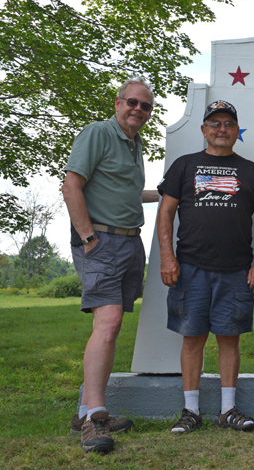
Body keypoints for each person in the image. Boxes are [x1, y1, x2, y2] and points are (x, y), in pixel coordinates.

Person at [157, 100, 254, 434]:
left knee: (229, 339)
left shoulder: (250, 171)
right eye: (215, 123)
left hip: (237, 270)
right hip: (191, 268)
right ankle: (191, 411)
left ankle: (228, 410)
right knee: (192, 339)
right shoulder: (184, 166)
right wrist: (167, 257)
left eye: (228, 124)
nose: (222, 129)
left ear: (237, 131)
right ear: (204, 130)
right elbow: (165, 212)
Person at [61, 77, 160, 453]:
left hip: (130, 242)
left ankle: (85, 408)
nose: (138, 109)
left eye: (145, 106)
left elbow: (130, 192)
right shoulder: (97, 132)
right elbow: (71, 185)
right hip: (100, 241)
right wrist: (88, 238)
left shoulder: (136, 144)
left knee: (109, 326)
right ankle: (95, 420)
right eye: (132, 102)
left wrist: (170, 193)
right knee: (109, 322)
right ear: (118, 103)